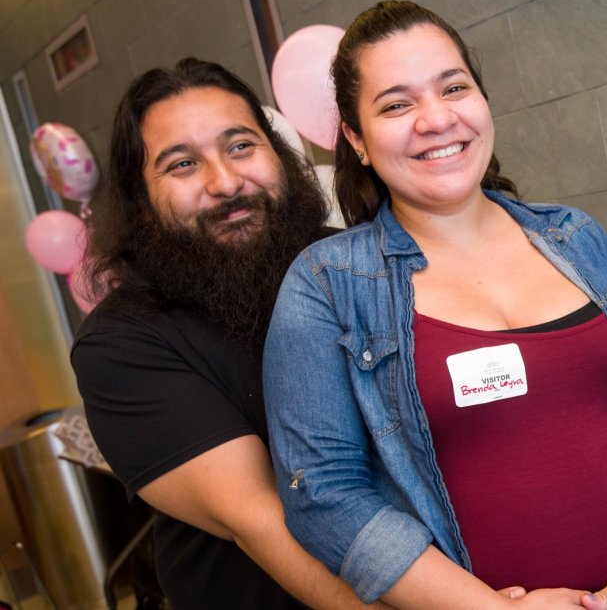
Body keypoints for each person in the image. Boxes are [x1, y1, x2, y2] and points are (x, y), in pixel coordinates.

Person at [263, 0, 607, 609]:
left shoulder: (573, 238)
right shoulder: (327, 284)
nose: (435, 118)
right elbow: (323, 495)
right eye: (397, 104)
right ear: (356, 138)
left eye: (454, 87)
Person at [70, 58, 378, 609]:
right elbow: (260, 520)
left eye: (241, 146)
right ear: (140, 201)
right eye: (183, 164)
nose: (227, 182)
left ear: (280, 155)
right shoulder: (122, 344)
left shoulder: (353, 263)